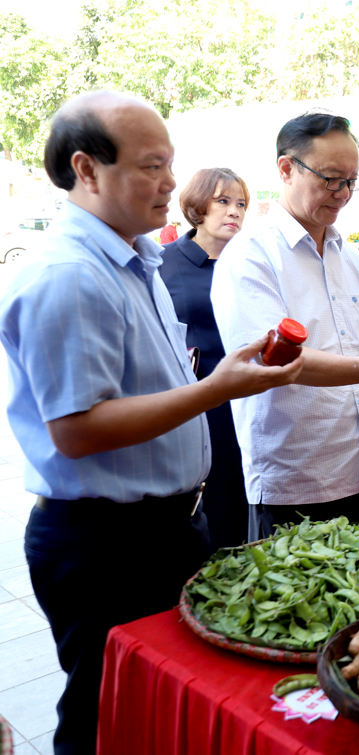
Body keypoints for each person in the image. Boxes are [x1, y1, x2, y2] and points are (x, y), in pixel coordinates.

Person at [0, 91, 302, 755]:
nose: (170, 182)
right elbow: (77, 428)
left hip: (161, 527)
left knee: (155, 701)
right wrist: (214, 389)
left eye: (170, 163)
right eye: (150, 166)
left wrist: (214, 380)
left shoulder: (132, 258)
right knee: (102, 711)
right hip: (105, 542)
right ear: (87, 169)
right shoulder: (70, 275)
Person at [210, 111, 359, 541]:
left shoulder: (350, 256)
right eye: (330, 178)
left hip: (358, 469)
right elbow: (278, 363)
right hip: (294, 476)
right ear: (286, 169)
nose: (342, 194)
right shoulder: (251, 255)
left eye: (351, 181)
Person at [159, 167, 254, 552]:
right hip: (196, 400)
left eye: (241, 204)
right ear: (198, 206)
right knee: (207, 505)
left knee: (243, 498)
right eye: (223, 201)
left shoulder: (250, 262)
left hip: (248, 396)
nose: (234, 211)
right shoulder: (164, 262)